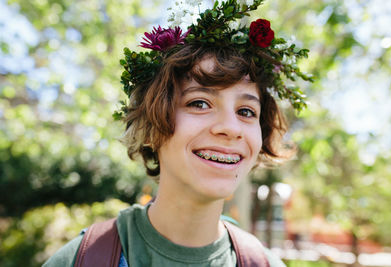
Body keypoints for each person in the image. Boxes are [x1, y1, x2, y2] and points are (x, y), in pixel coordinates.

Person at [43, 0, 312, 266]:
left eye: (246, 112)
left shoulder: (265, 264)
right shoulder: (83, 259)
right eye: (199, 103)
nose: (231, 128)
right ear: (151, 124)